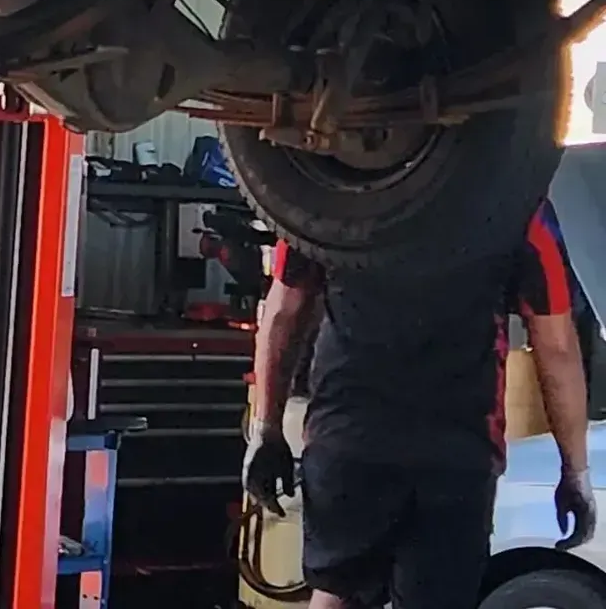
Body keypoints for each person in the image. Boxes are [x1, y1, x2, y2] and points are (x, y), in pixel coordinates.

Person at [246, 204, 597, 609]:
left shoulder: (328, 190)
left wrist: (266, 429)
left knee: (338, 593)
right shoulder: (517, 197)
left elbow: (283, 311)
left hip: (348, 439)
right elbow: (556, 345)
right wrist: (575, 471)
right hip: (457, 453)